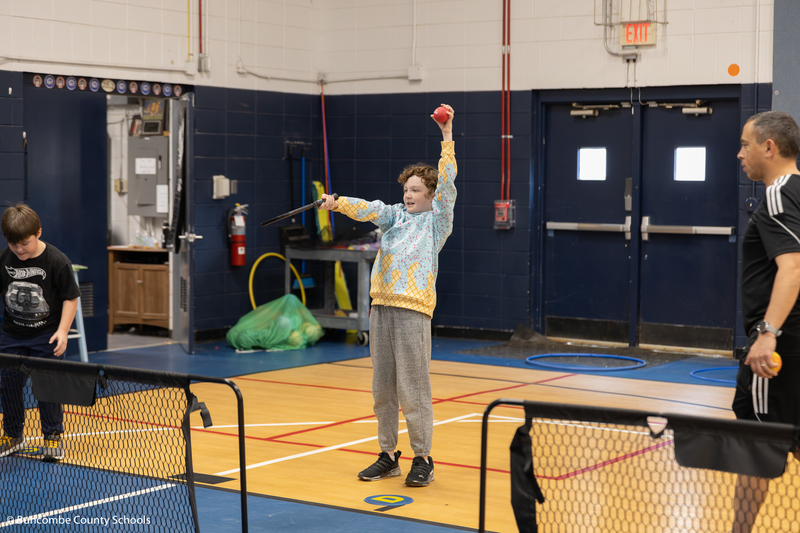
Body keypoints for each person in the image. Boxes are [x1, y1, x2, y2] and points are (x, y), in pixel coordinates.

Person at [318, 104, 456, 487]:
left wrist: (447, 136)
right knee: (383, 390)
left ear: (431, 195)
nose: (408, 195)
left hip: (413, 313)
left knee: (414, 389)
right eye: (406, 189)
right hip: (381, 308)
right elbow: (368, 209)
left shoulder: (437, 222)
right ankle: (388, 455)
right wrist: (337, 203)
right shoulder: (395, 216)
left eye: (416, 190)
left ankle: (423, 458)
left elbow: (448, 184)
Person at [732, 111, 800, 532]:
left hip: (780, 353)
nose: (740, 154)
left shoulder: (777, 196)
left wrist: (767, 334)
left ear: (769, 147)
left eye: (745, 145)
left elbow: (792, 268)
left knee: (756, 448)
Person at [0, 203, 81, 462]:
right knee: (8, 386)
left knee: (49, 387)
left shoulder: (57, 260)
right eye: (13, 244)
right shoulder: (4, 259)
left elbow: (71, 298)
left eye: (25, 243)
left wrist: (63, 331)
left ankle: (53, 436)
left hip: (46, 337)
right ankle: (13, 435)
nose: (19, 249)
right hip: (11, 336)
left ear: (39, 233)